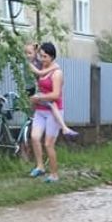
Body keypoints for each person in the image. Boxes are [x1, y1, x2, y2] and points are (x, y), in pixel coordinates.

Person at [28, 42, 66, 183]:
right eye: (41, 56)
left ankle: (54, 174)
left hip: (53, 112)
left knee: (48, 144)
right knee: (34, 137)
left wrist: (39, 97)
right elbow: (30, 55)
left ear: (52, 57)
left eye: (45, 57)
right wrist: (33, 48)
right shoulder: (41, 68)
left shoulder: (57, 73)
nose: (42, 59)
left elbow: (56, 95)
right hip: (40, 110)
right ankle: (40, 167)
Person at [24, 42, 77, 140]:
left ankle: (64, 127)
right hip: (34, 89)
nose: (28, 55)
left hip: (38, 90)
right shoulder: (30, 64)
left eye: (30, 53)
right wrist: (55, 67)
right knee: (47, 105)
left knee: (53, 104)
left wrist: (37, 47)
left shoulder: (38, 61)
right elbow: (40, 73)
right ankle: (64, 127)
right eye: (26, 53)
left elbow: (41, 53)